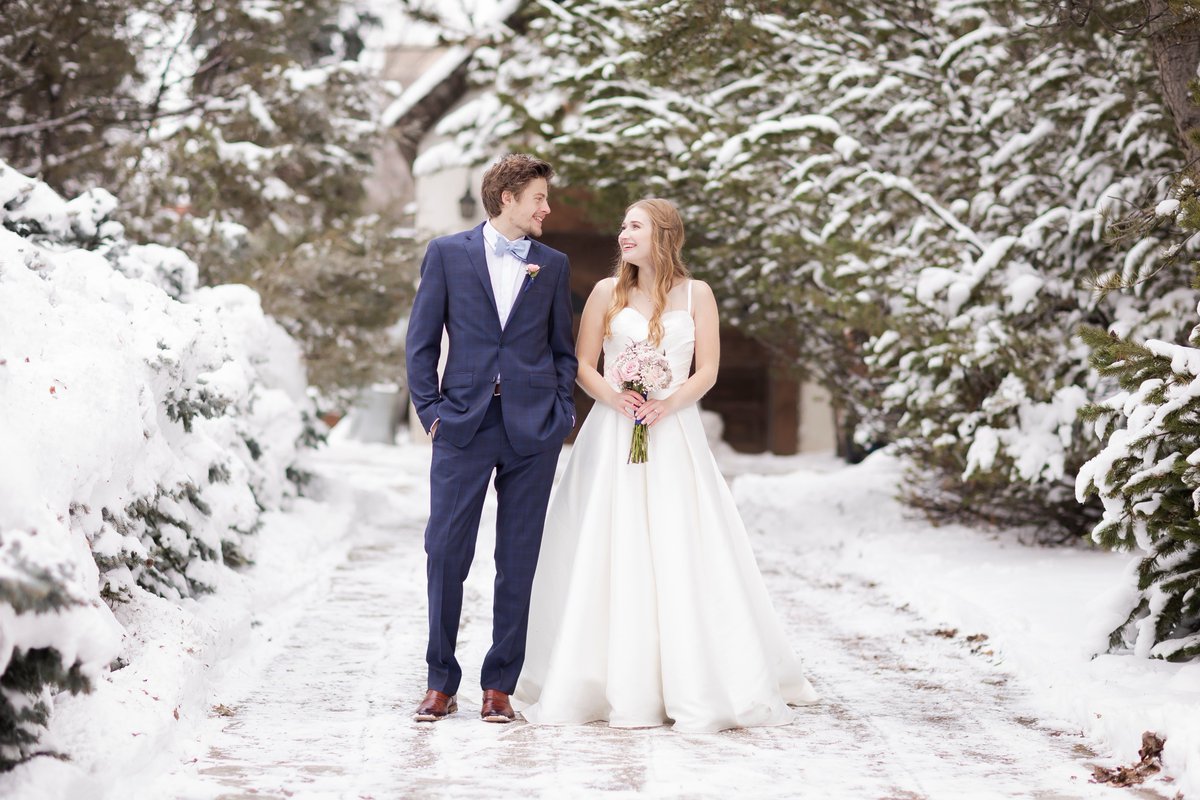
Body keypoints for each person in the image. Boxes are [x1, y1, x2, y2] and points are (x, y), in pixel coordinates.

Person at [512, 198, 819, 732]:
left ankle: (692, 676)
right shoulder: (608, 293)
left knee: (680, 544)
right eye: (622, 225)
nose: (622, 234)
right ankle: (596, 677)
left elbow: (709, 370)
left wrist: (665, 403)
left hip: (672, 431)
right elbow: (582, 364)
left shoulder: (697, 294)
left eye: (634, 226)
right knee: (609, 544)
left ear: (664, 234)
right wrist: (616, 398)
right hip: (613, 434)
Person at [405, 154, 577, 724]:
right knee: (445, 552)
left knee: (518, 560)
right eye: (539, 199)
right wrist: (432, 413)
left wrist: (560, 414)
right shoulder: (447, 254)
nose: (547, 208)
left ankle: (499, 684)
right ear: (508, 197)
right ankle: (439, 680)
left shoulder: (552, 265)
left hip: (533, 432)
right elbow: (421, 343)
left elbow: (562, 349)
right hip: (462, 425)